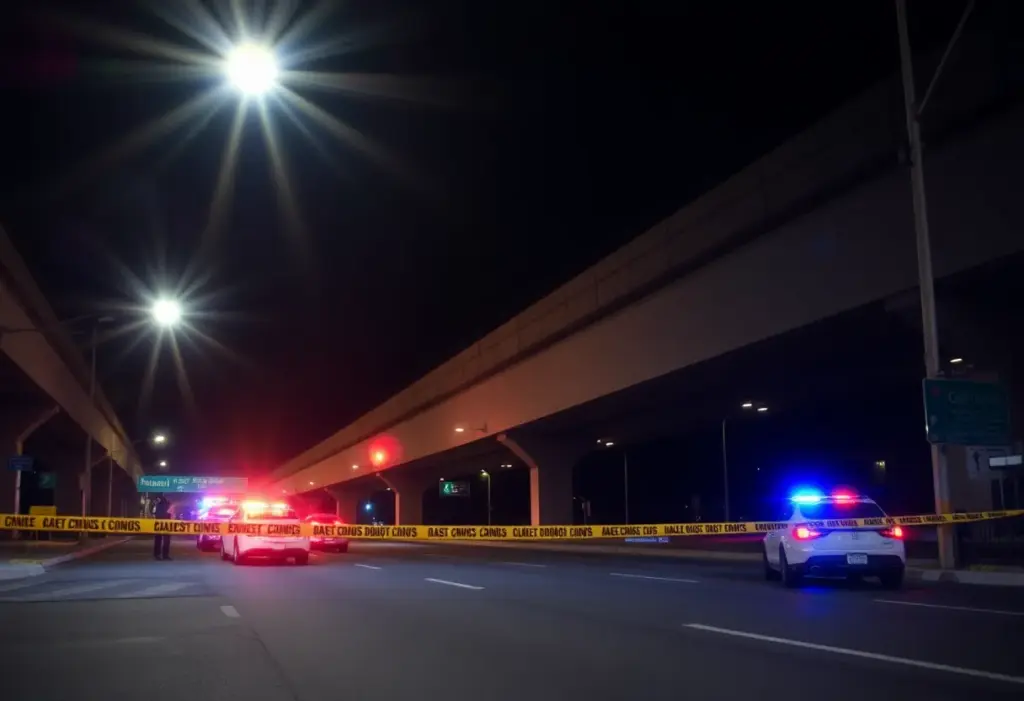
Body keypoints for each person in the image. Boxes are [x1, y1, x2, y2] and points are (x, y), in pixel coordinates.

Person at [152, 494, 172, 561]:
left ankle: (165, 555)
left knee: (166, 540)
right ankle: (157, 554)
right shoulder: (159, 498)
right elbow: (153, 508)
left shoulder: (169, 501)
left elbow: (171, 512)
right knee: (158, 539)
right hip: (159, 522)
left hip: (167, 523)